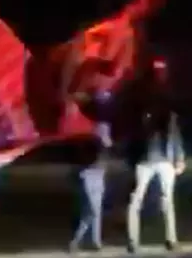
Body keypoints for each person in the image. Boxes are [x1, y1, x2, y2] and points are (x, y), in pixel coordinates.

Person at [125, 57, 185, 254]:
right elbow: (134, 129)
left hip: (162, 157)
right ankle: (134, 241)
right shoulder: (141, 98)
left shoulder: (166, 99)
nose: (160, 75)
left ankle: (170, 239)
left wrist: (179, 156)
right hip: (147, 158)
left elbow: (174, 129)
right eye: (157, 71)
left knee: (165, 200)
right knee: (138, 200)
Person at [68, 60, 115, 253]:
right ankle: (79, 241)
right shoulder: (88, 116)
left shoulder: (101, 118)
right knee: (93, 207)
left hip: (98, 165)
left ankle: (93, 241)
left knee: (95, 207)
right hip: (89, 167)